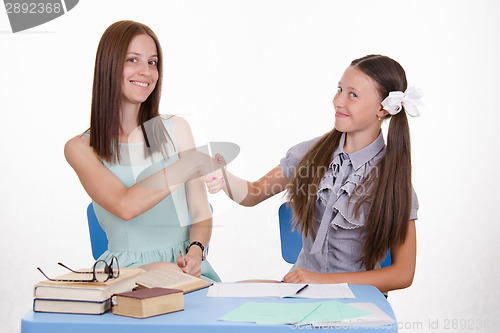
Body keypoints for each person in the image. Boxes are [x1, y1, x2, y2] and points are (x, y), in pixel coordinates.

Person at [205, 55, 421, 292]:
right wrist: (221, 174)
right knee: (227, 295)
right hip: (301, 292)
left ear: (382, 108)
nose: (338, 101)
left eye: (353, 94)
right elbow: (252, 193)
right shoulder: (311, 154)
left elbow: (403, 274)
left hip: (356, 302)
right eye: (339, 89)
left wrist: (322, 281)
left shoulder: (392, 180)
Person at [65, 20, 220, 282]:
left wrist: (196, 252)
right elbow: (125, 206)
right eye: (133, 60)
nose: (146, 72)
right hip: (123, 274)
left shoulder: (178, 128)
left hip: (187, 271)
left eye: (152, 62)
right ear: (109, 66)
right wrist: (188, 165)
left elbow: (200, 213)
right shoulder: (80, 148)